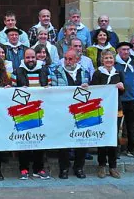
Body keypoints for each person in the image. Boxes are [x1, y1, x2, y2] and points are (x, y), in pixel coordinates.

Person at [47, 49, 90, 179]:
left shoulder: (84, 72)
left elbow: (92, 90)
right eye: (65, 58)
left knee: (82, 140)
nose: (67, 61)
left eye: (70, 59)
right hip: (63, 112)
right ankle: (64, 168)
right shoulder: (56, 72)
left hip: (81, 111)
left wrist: (88, 86)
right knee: (64, 141)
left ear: (77, 59)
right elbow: (53, 90)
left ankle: (79, 167)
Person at [11, 49, 50, 180]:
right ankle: (24, 168)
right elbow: (12, 92)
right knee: (24, 142)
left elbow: (50, 89)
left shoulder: (45, 70)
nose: (31, 60)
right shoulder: (17, 72)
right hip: (24, 112)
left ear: (36, 58)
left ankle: (39, 169)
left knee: (39, 141)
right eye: (28, 57)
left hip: (40, 111)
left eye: (33, 57)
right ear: (24, 58)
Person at [90, 49, 125, 179]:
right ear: (102, 60)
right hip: (102, 111)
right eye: (106, 58)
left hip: (116, 110)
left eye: (110, 58)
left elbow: (123, 92)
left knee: (113, 137)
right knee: (102, 137)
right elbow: (95, 91)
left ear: (114, 59)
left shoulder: (118, 73)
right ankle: (101, 165)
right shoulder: (98, 74)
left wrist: (122, 87)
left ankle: (113, 166)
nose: (109, 60)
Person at [114, 41, 134, 160]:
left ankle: (132, 148)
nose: (126, 52)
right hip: (119, 100)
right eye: (123, 49)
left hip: (133, 99)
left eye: (127, 50)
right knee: (115, 126)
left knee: (132, 126)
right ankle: (115, 150)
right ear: (118, 51)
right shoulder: (115, 65)